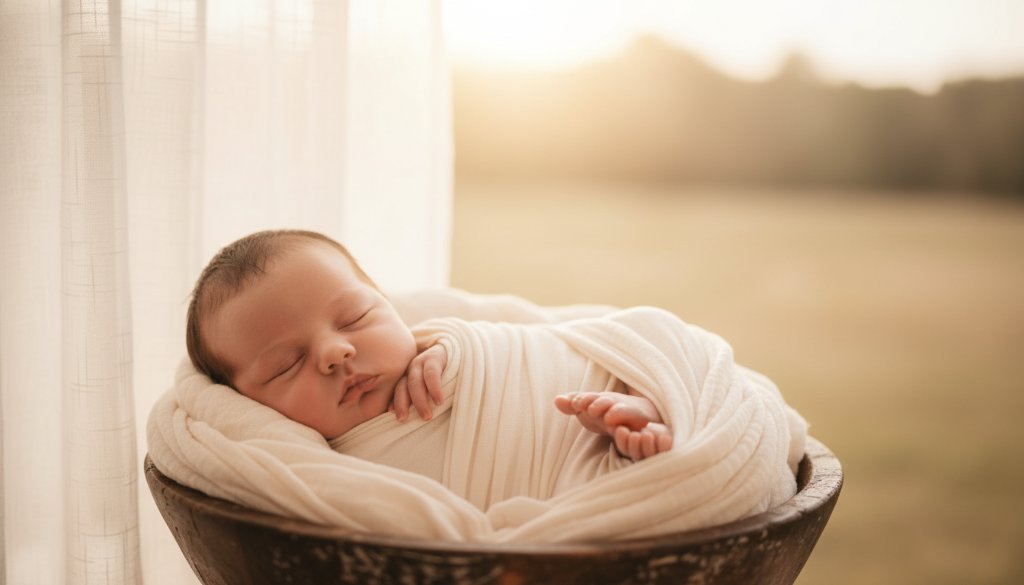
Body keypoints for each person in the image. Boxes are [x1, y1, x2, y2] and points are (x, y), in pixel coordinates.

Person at [186, 229, 673, 461]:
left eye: (355, 317)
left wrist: (454, 347)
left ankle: (640, 403)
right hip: (556, 496)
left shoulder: (449, 346)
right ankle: (629, 448)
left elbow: (535, 346)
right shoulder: (318, 465)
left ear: (389, 305)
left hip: (561, 401)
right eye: (287, 365)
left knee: (595, 388)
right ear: (246, 403)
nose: (335, 353)